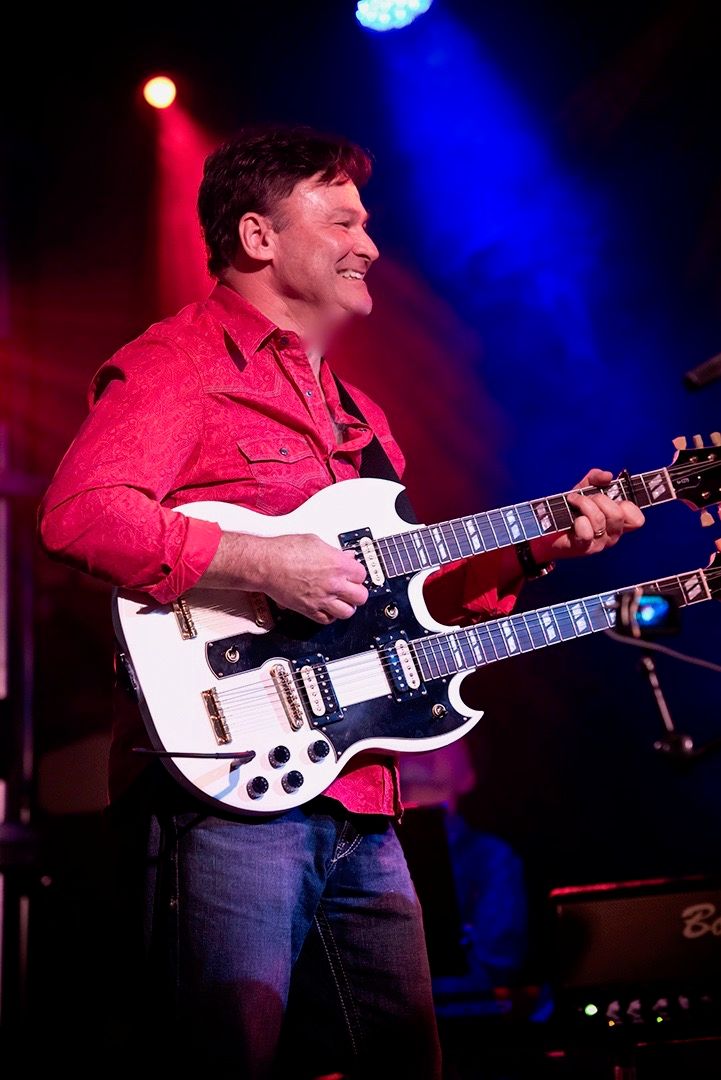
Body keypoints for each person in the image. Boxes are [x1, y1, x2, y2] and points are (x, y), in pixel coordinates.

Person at [37, 124, 645, 1078]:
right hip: (228, 788)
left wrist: (536, 549)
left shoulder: (360, 412)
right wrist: (264, 562)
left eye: (366, 223)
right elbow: (81, 515)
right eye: (342, 221)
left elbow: (400, 606)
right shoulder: (178, 365)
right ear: (258, 236)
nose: (370, 245)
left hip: (360, 793)